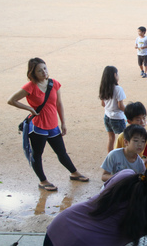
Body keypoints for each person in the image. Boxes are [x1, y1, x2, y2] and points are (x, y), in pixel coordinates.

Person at [7, 57, 88, 192]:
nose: (44, 72)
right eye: (40, 71)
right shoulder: (30, 86)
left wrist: (63, 123)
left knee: (61, 152)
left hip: (53, 125)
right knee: (37, 154)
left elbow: (59, 104)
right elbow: (11, 100)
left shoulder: (54, 83)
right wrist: (29, 109)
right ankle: (43, 181)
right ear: (33, 73)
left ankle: (74, 173)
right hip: (38, 126)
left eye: (45, 68)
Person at [99, 66, 126, 153]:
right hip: (117, 118)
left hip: (107, 116)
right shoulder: (118, 89)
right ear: (115, 75)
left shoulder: (103, 88)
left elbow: (103, 104)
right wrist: (129, 112)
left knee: (111, 139)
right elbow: (120, 106)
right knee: (124, 138)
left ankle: (110, 157)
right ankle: (123, 157)